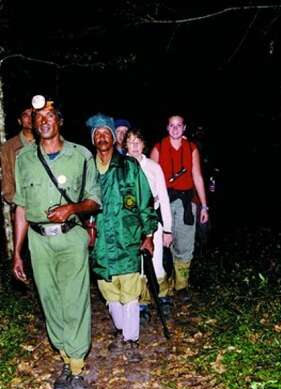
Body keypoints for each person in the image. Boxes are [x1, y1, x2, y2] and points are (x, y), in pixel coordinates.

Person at [12, 98, 100, 389]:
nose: (44, 121)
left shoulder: (81, 155)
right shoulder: (24, 159)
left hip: (71, 237)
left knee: (74, 300)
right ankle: (65, 360)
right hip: (38, 241)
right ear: (33, 125)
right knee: (50, 302)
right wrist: (17, 252)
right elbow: (21, 208)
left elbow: (94, 200)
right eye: (38, 117)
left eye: (50, 115)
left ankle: (77, 370)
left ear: (59, 121)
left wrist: (71, 208)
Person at [86, 114, 157, 363]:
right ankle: (122, 332)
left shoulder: (129, 167)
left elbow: (145, 201)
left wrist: (149, 234)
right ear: (93, 140)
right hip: (101, 244)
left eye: (106, 132)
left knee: (130, 293)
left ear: (115, 137)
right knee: (109, 293)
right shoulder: (87, 170)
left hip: (128, 239)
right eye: (97, 134)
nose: (102, 137)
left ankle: (131, 340)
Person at [150, 115, 209, 302]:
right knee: (162, 244)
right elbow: (149, 176)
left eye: (179, 125)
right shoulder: (158, 147)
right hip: (164, 202)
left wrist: (204, 206)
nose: (175, 129)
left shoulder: (191, 148)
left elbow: (197, 177)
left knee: (184, 244)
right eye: (172, 125)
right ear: (167, 128)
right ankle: (161, 286)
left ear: (184, 128)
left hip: (186, 203)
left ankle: (181, 285)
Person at [125, 128, 174, 321]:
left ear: (144, 144)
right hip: (130, 226)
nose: (135, 145)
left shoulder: (153, 167)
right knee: (138, 268)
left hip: (152, 223)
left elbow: (163, 197)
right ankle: (142, 304)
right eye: (130, 141)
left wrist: (167, 229)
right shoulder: (120, 167)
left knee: (156, 263)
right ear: (125, 145)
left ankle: (163, 298)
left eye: (138, 141)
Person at [0, 107, 35, 205]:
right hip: (21, 202)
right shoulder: (8, 147)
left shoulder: (47, 142)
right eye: (25, 115)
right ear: (20, 121)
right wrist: (15, 204)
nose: (30, 118)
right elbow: (7, 179)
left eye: (33, 114)